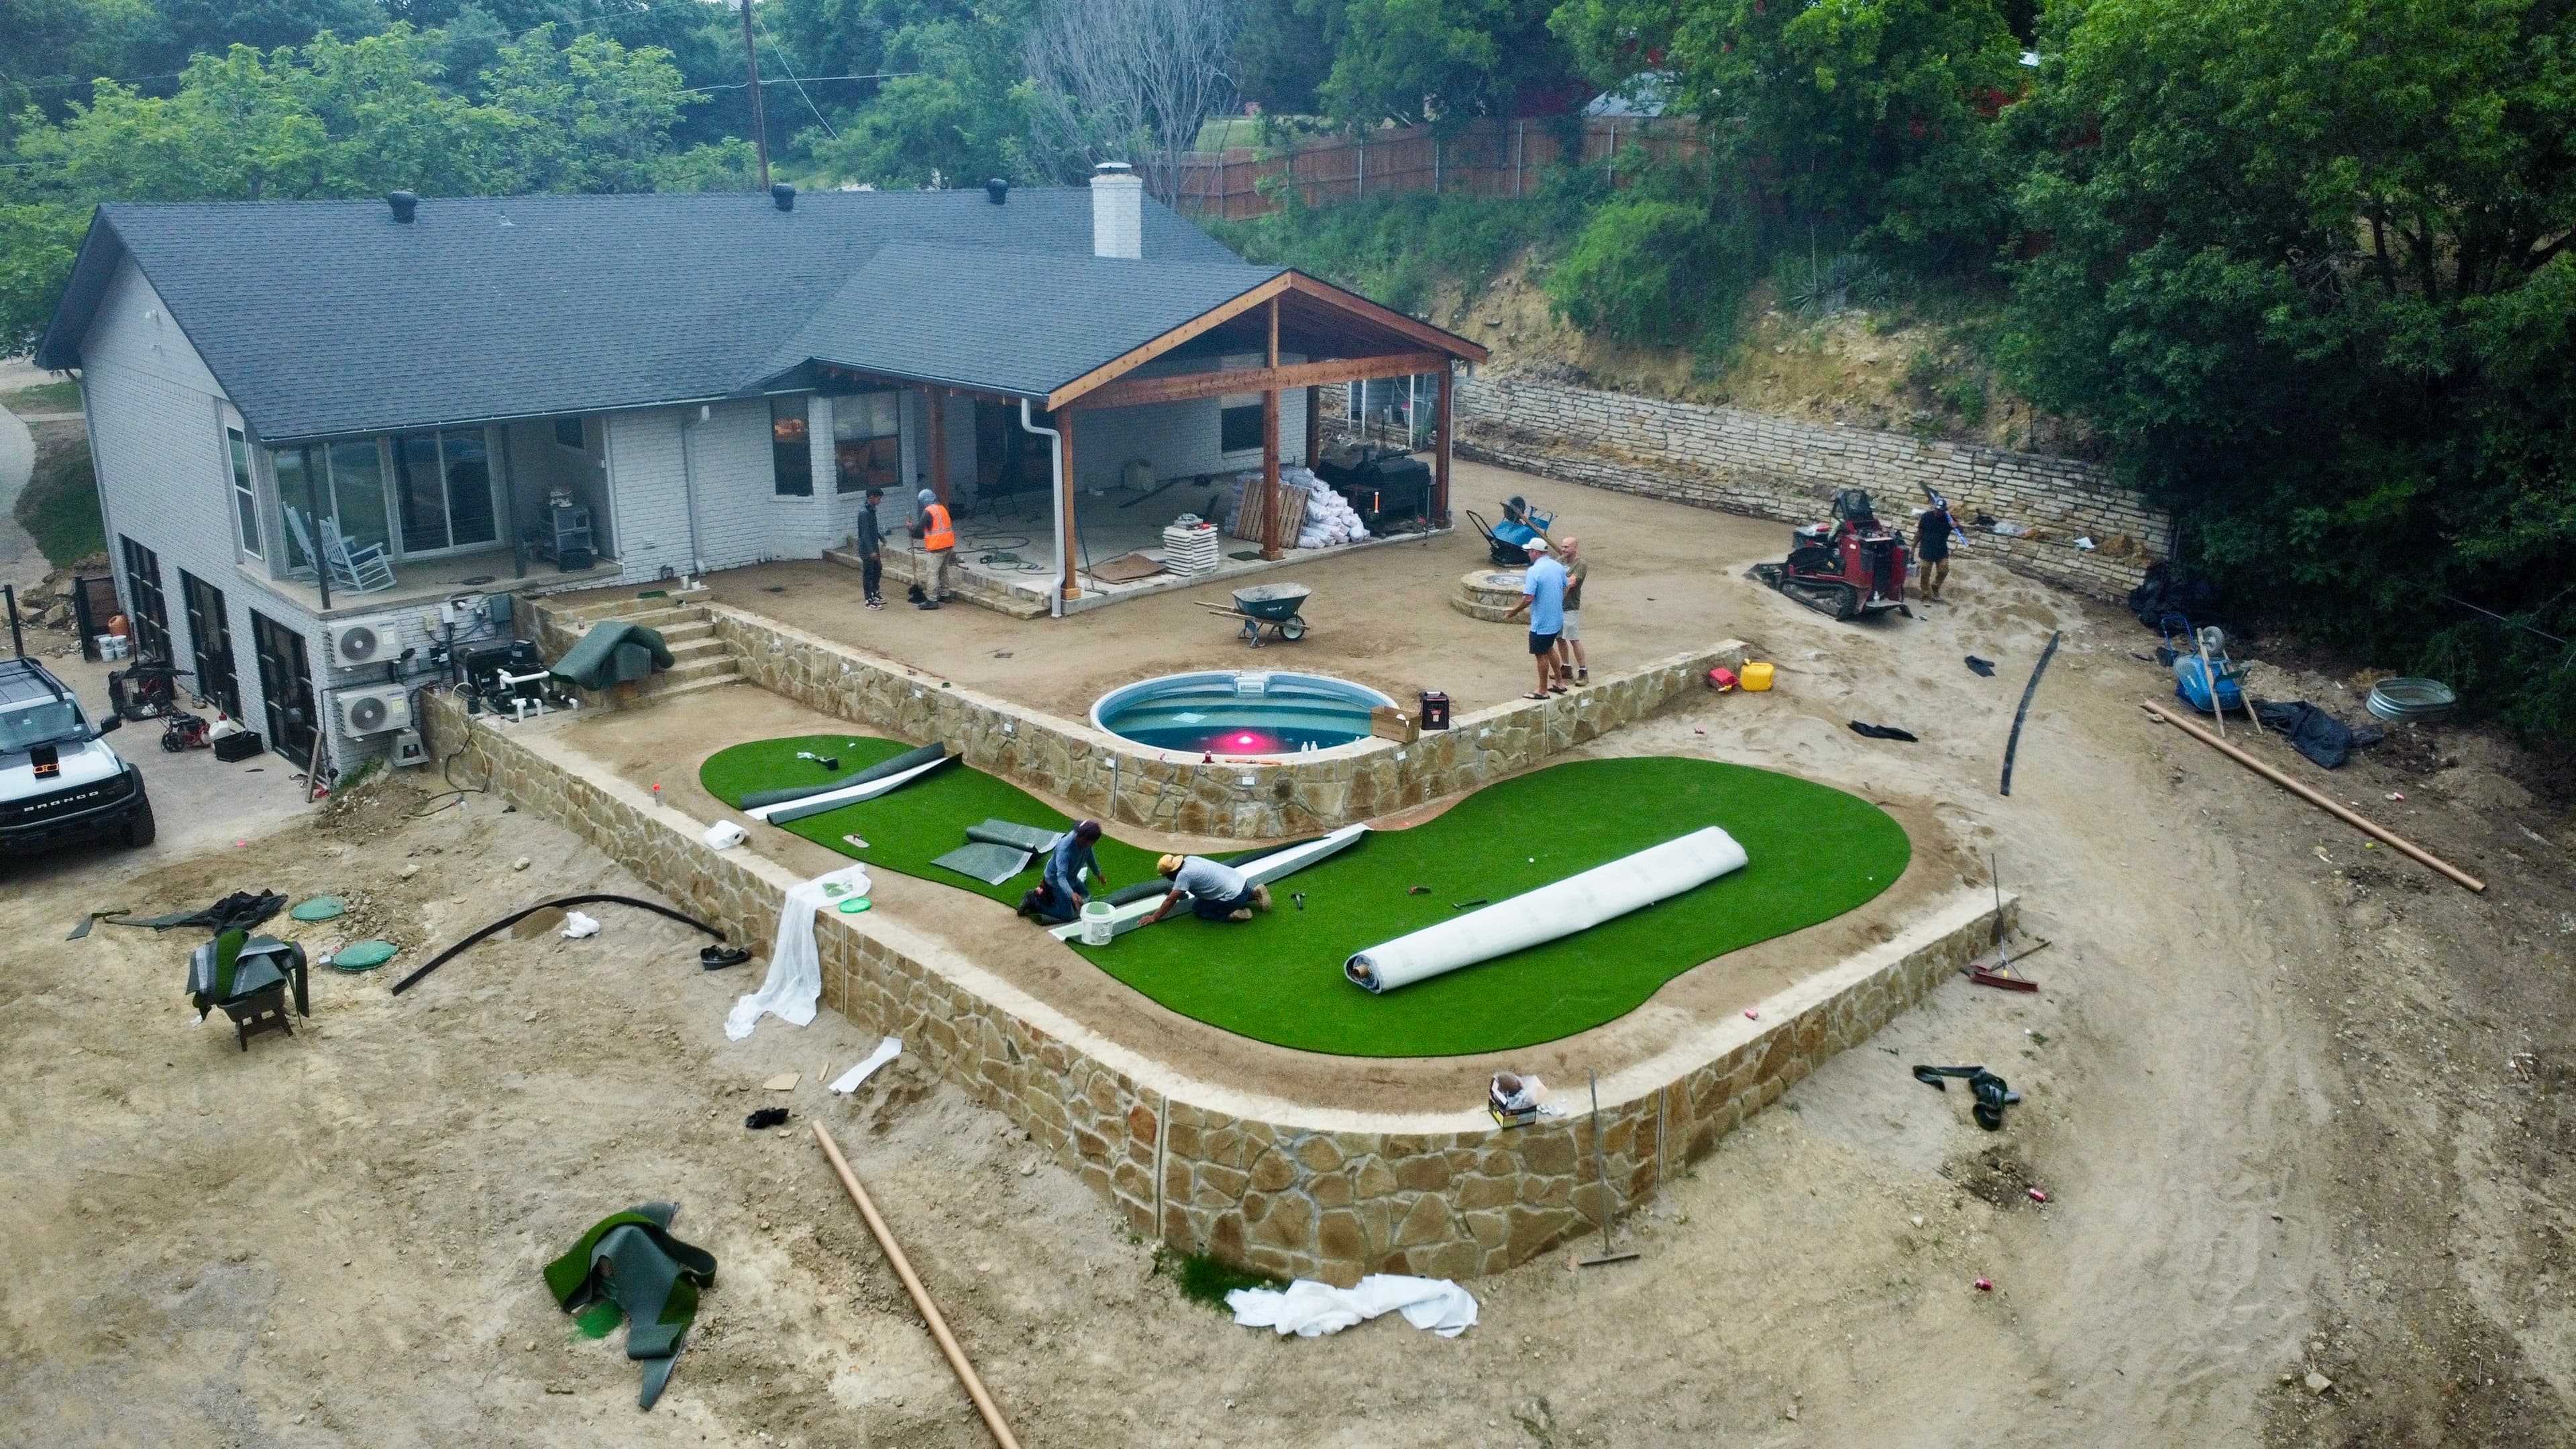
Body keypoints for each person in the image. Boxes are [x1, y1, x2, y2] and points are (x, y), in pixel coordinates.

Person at [1503, 538, 1567, 698]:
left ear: (1536, 553)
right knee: (1550, 648)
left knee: (1541, 654)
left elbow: (1529, 598)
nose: (1528, 554)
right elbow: (1566, 587)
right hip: (1556, 618)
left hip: (1542, 621)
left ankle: (1543, 690)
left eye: (1529, 551)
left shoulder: (1534, 571)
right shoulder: (1557, 566)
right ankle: (1560, 683)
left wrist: (1514, 611)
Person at [1142, 852, 1271, 924]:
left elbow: (1171, 900)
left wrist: (1154, 917)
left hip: (1234, 897)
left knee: (1199, 909)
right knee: (1225, 890)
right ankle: (1255, 893)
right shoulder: (1191, 859)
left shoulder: (1184, 875)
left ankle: (1231, 915)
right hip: (1242, 883)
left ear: (1171, 873)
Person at [1018, 820, 1106, 924]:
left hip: (1072, 878)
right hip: (1055, 882)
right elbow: (1061, 878)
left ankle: (1067, 899)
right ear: (1083, 838)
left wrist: (1098, 873)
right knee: (1067, 915)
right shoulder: (1065, 849)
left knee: (1087, 901)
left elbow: (1090, 857)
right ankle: (1033, 900)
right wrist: (1071, 894)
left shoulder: (1086, 843)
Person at [908, 487, 955, 609]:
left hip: (937, 547)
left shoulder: (928, 511)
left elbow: (919, 531)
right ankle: (945, 595)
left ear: (924, 500)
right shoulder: (942, 508)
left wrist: (911, 528)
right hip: (948, 544)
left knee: (932, 573)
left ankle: (932, 600)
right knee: (943, 571)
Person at [1553, 535, 1589, 684]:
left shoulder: (1580, 564)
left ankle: (1583, 671)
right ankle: (1566, 668)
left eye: (1567, 547)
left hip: (1570, 607)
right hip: (1558, 607)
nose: (1563, 549)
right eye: (1562, 546)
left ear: (1575, 547)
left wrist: (1559, 592)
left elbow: (1571, 582)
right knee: (1560, 638)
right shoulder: (1559, 561)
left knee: (1574, 639)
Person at [1915, 497, 1955, 602]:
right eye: (1937, 509)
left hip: (1941, 550)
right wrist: (1913, 546)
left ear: (1944, 510)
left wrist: (1957, 525)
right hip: (1927, 549)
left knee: (1944, 569)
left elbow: (1961, 531)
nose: (1938, 512)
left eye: (1941, 510)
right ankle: (1925, 594)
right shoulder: (1926, 517)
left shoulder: (1949, 519)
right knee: (1925, 572)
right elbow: (1920, 532)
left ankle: (1935, 587)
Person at [854, 486, 885, 609]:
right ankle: (869, 599)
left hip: (873, 546)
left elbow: (873, 529)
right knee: (868, 573)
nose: (879, 501)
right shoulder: (864, 513)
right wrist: (871, 551)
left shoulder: (871, 511)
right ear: (871, 497)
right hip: (867, 549)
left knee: (878, 568)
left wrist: (880, 537)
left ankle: (874, 592)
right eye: (878, 498)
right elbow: (865, 534)